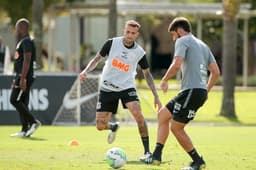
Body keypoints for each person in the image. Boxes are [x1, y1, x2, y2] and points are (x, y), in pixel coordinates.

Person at [141, 17, 220, 170]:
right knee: (163, 115)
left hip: (191, 91)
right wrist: (205, 90)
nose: (173, 38)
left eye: (173, 34)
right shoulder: (203, 45)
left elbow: (176, 64)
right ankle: (156, 156)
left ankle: (198, 161)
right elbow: (215, 72)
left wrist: (164, 79)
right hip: (193, 91)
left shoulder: (182, 40)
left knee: (176, 128)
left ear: (179, 30)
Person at [79, 20, 162, 159]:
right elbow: (97, 59)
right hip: (107, 87)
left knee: (138, 115)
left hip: (126, 87)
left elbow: (148, 74)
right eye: (127, 32)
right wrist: (86, 71)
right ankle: (113, 127)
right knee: (100, 126)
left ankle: (147, 152)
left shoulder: (139, 52)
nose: (129, 35)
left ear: (137, 35)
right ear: (124, 30)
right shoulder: (111, 43)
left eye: (133, 33)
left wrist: (156, 96)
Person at [10, 18, 41, 137]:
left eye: (17, 27)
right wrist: (16, 77)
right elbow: (20, 61)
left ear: (22, 28)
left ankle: (33, 122)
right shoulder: (23, 41)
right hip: (22, 76)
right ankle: (24, 129)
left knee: (14, 100)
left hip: (25, 77)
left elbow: (27, 60)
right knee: (22, 102)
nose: (16, 30)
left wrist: (22, 79)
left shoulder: (27, 41)